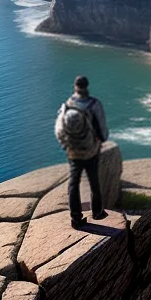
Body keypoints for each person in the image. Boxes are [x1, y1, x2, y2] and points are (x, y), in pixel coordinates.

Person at [55, 75, 109, 229]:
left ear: (75, 87)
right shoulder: (94, 104)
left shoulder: (66, 105)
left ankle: (76, 219)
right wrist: (101, 141)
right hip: (91, 150)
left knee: (73, 184)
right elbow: (103, 128)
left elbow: (59, 130)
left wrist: (66, 146)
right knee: (94, 181)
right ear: (87, 86)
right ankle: (97, 212)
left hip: (73, 152)